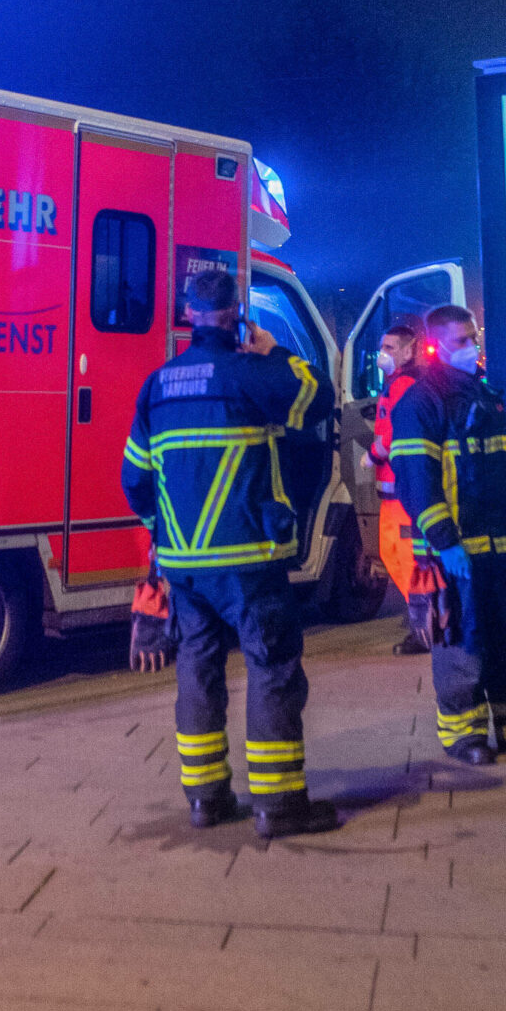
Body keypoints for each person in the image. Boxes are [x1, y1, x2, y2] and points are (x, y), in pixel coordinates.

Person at [120, 269, 341, 839]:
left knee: (197, 669)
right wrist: (275, 352)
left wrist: (166, 533)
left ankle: (206, 799)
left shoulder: (157, 385)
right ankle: (279, 806)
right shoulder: (250, 374)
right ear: (237, 313)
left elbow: (135, 481)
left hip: (185, 567)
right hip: (249, 558)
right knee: (271, 669)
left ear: (187, 315)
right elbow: (320, 399)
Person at [390, 304, 506, 764]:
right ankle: (464, 736)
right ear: (435, 346)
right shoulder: (421, 403)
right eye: (461, 340)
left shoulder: (487, 398)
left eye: (474, 338)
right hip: (455, 552)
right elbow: (416, 479)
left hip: (498, 545)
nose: (472, 347)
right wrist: (444, 541)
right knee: (462, 644)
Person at [363, 320, 428, 654]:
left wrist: (372, 455)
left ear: (407, 350)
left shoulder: (402, 384)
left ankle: (426, 628)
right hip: (395, 490)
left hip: (399, 490)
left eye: (389, 348)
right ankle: (425, 624)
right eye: (381, 348)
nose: (382, 355)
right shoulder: (399, 383)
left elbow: (393, 431)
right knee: (395, 555)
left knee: (404, 559)